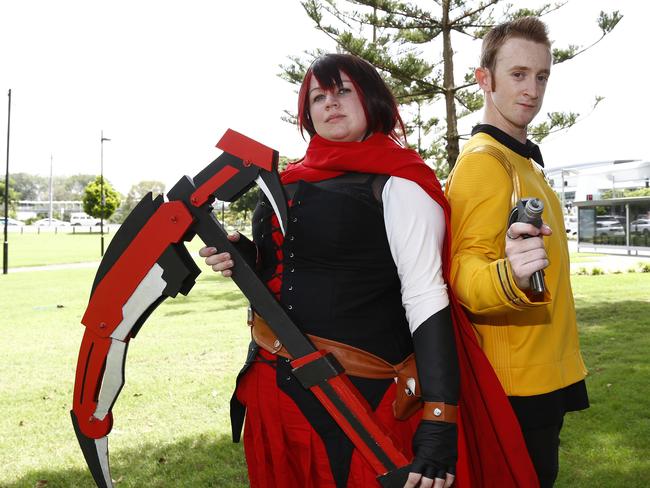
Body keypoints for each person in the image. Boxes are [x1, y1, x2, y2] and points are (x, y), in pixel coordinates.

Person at [201, 53, 537, 488]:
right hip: (274, 382)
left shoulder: (399, 183)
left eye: (343, 91)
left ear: (371, 99)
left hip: (361, 394)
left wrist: (439, 419)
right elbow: (292, 271)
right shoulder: (285, 182)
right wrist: (245, 258)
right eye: (318, 96)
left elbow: (425, 297)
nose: (330, 103)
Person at [444, 17, 589, 488]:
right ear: (483, 79)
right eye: (518, 74)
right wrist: (512, 277)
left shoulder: (521, 162)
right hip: (514, 388)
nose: (532, 89)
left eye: (541, 76)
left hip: (542, 373)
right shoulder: (484, 164)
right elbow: (462, 270)